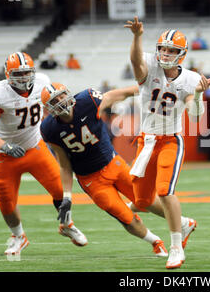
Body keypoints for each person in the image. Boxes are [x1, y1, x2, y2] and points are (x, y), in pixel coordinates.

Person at [40, 83, 197, 257]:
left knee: (145, 200)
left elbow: (124, 93)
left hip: (114, 164)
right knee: (124, 216)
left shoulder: (87, 100)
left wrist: (153, 87)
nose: (61, 101)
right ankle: (155, 241)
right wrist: (67, 197)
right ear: (49, 108)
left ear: (68, 93)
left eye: (62, 96)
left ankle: (183, 223)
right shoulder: (49, 129)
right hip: (91, 180)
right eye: (55, 100)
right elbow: (64, 164)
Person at [124, 17, 210, 269]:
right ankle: (184, 224)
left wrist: (197, 94)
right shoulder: (149, 66)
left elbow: (195, 115)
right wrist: (136, 36)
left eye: (171, 50)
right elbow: (135, 62)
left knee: (164, 190)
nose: (165, 53)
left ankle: (176, 246)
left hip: (170, 140)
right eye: (162, 48)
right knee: (140, 201)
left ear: (181, 55)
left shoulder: (190, 79)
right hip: (146, 140)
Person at [0, 52, 87, 256]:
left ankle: (67, 225)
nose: (23, 78)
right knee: (6, 201)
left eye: (27, 72)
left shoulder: (42, 82)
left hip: (34, 147)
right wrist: (5, 146)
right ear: (7, 74)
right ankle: (19, 237)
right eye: (18, 74)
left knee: (60, 190)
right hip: (6, 155)